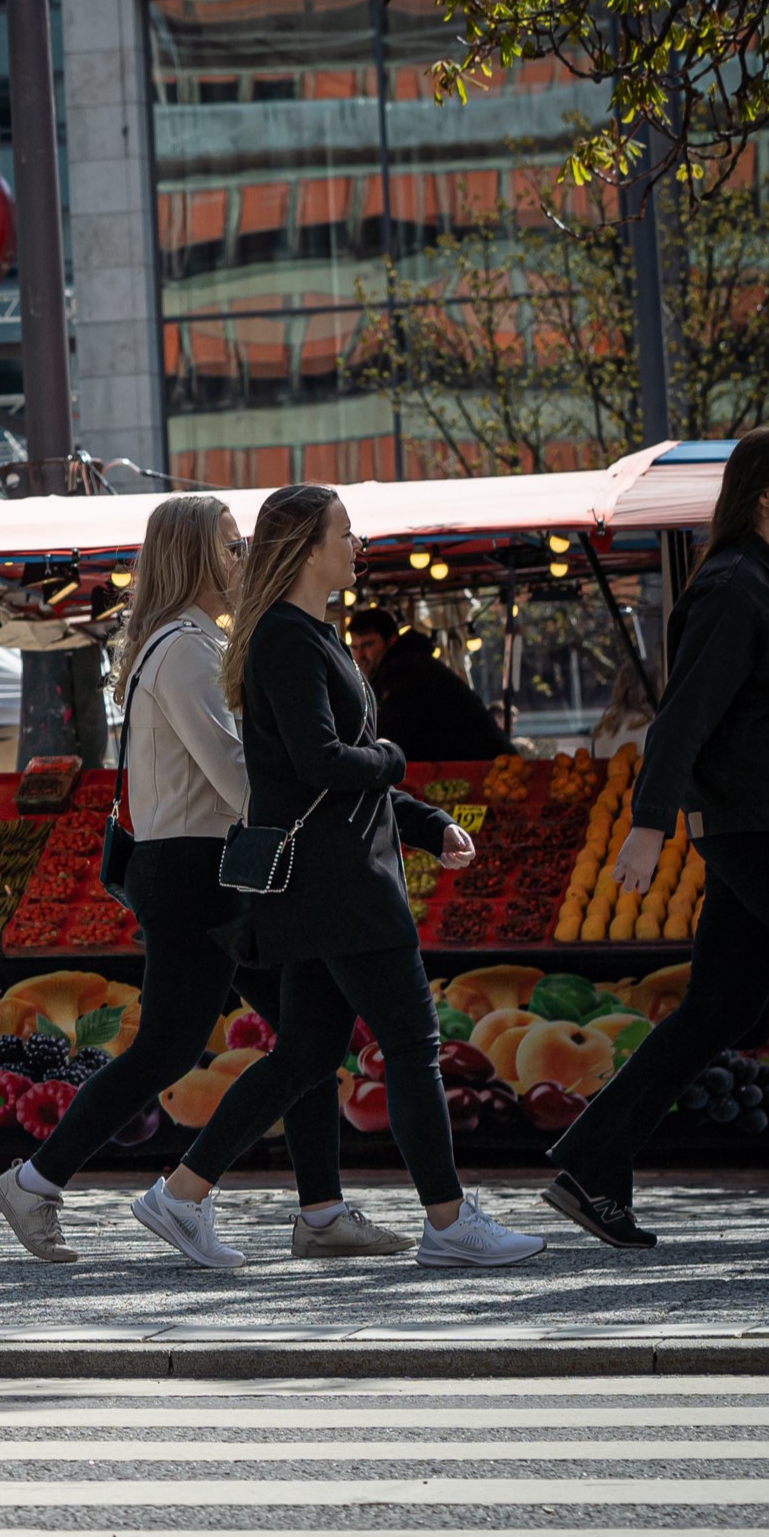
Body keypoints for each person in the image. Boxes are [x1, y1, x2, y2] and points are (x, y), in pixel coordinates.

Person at [122, 487, 543, 1270]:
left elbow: (319, 770)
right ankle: (448, 1222)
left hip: (334, 876)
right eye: (344, 533)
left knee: (306, 1054)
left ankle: (179, 1194)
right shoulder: (286, 636)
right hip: (340, 884)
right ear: (308, 548)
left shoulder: (311, 633)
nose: (357, 545)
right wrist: (394, 757)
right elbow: (317, 762)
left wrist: (420, 821)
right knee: (412, 1043)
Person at [0, 495, 395, 1264]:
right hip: (198, 872)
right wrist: (320, 804)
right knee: (179, 1046)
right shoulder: (184, 648)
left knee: (302, 1038)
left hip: (202, 869)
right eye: (231, 548)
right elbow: (235, 772)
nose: (243, 561)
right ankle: (39, 1180)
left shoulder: (186, 643)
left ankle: (319, 1208)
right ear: (195, 557)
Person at [547, 428, 769, 1247]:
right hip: (768, 832)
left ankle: (593, 1158)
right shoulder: (736, 586)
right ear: (764, 494)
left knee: (716, 1009)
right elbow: (683, 716)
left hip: (764, 829)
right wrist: (646, 827)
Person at [346, 607, 516, 763]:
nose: (360, 655)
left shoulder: (406, 671)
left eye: (368, 645)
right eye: (355, 647)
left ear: (391, 641)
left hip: (485, 765)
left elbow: (392, 734)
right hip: (478, 760)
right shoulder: (404, 666)